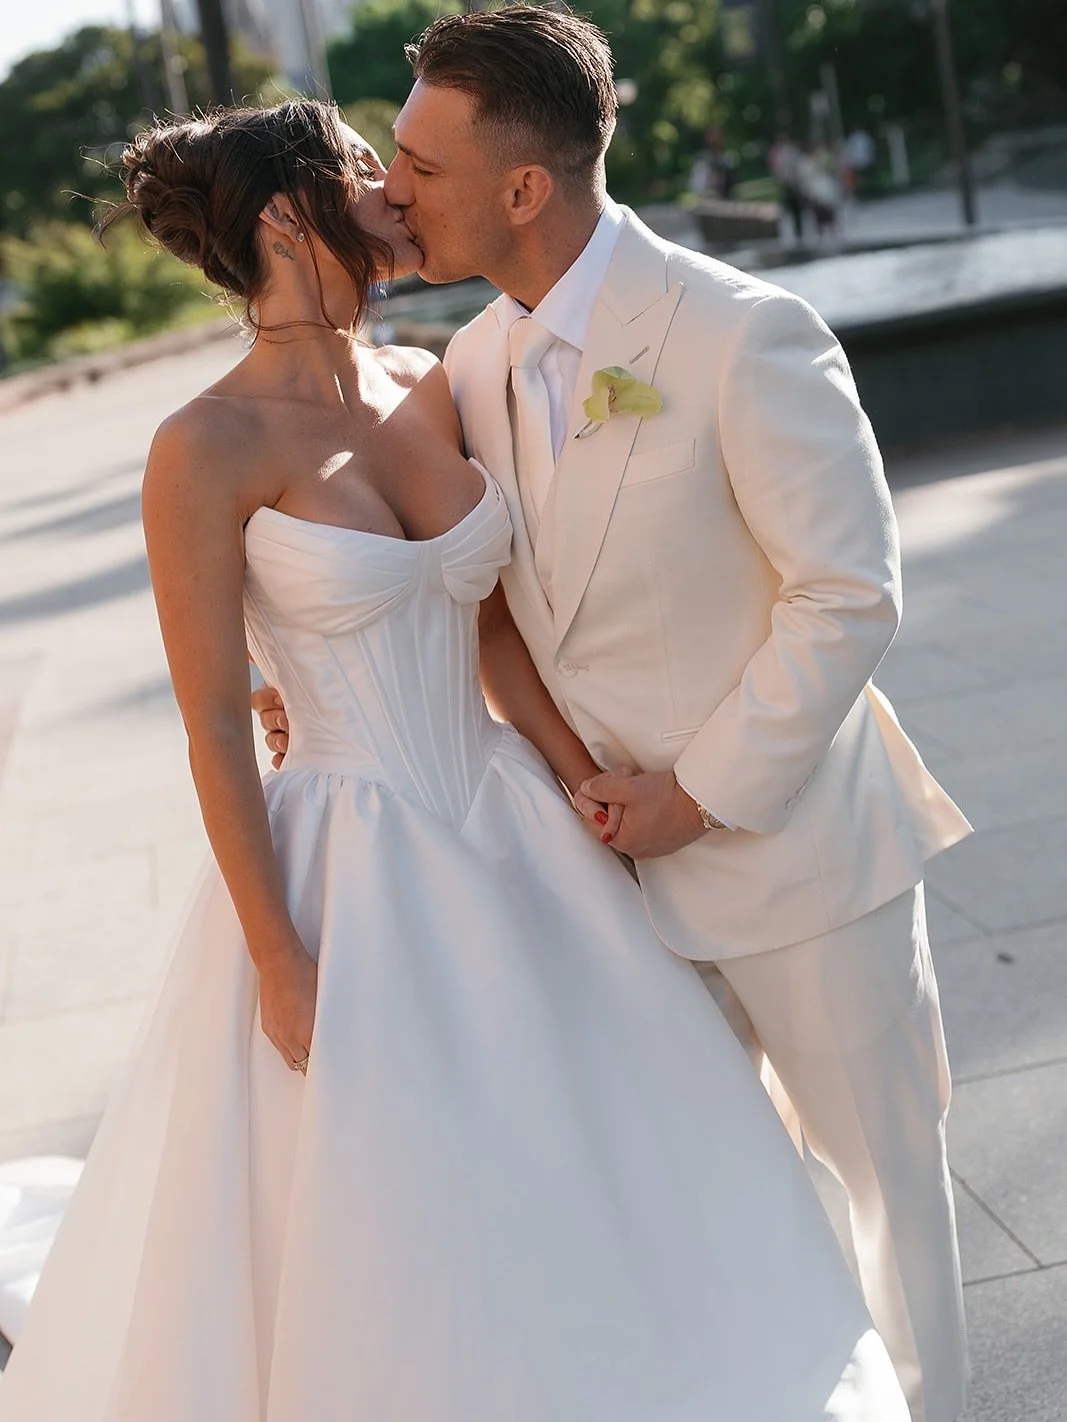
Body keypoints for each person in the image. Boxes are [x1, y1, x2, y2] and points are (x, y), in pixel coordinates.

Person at [0, 100, 909, 1421]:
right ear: (283, 217)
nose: (395, 193)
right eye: (366, 170)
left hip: (510, 820)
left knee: (612, 1154)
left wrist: (578, 779)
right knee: (404, 1206)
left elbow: (483, 625)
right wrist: (276, 953)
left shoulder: (426, 379)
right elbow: (211, 721)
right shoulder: (201, 446)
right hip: (347, 863)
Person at [255, 12, 972, 1422]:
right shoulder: (468, 365)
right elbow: (456, 584)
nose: (391, 190)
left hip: (799, 865)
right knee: (713, 1219)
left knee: (887, 1200)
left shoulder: (742, 332)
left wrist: (695, 795)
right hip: (606, 889)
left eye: (420, 166)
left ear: (524, 187)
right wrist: (311, 674)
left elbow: (846, 594)